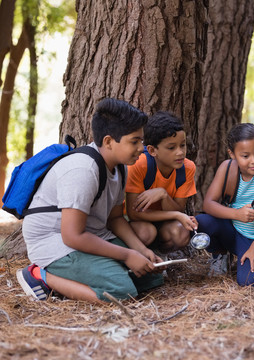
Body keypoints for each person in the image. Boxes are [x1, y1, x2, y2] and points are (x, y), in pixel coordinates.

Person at [17, 98, 164, 303]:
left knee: (152, 276)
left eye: (142, 140)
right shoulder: (83, 170)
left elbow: (115, 219)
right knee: (122, 292)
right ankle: (40, 275)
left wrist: (141, 250)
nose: (142, 148)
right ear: (109, 142)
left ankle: (92, 274)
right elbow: (72, 236)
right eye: (134, 141)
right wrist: (127, 256)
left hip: (91, 234)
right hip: (56, 242)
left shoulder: (119, 167)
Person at [196, 123, 254, 286]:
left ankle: (251, 254)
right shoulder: (227, 168)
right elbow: (208, 204)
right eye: (245, 156)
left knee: (247, 281)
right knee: (202, 222)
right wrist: (236, 214)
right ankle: (220, 254)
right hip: (233, 232)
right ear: (232, 154)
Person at [125, 111, 197, 253]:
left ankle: (158, 256)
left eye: (182, 145)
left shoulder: (187, 168)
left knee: (181, 233)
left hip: (161, 222)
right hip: (133, 222)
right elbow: (134, 214)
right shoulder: (139, 165)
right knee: (147, 232)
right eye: (171, 147)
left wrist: (163, 195)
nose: (180, 152)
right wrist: (176, 215)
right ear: (152, 150)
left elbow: (178, 210)